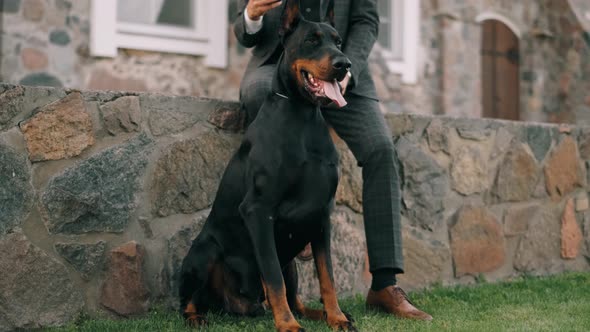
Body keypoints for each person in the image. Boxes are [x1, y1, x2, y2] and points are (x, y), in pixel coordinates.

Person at [234, 0, 432, 321]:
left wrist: (347, 68)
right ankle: (287, 226)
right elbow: (243, 32)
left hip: (343, 69)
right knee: (258, 92)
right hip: (279, 63)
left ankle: (384, 284)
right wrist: (252, 14)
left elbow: (366, 19)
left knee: (380, 148)